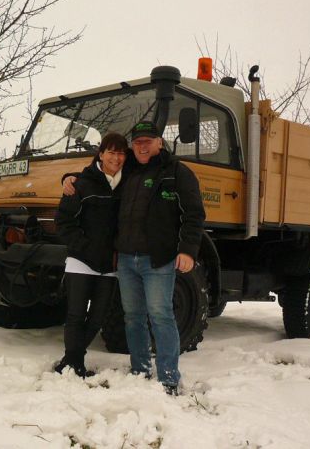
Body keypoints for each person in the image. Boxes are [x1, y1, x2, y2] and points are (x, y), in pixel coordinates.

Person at [63, 121, 205, 395]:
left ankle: (168, 377)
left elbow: (194, 214)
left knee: (161, 316)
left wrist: (188, 250)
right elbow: (98, 172)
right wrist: (69, 179)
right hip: (126, 260)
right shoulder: (127, 171)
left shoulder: (177, 172)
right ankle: (140, 369)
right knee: (133, 318)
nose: (142, 146)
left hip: (158, 260)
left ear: (159, 143)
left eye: (147, 141)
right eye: (137, 142)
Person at [53, 132, 128, 377]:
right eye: (111, 152)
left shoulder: (128, 184)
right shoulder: (81, 184)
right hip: (81, 261)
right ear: (101, 154)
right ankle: (76, 364)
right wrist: (85, 247)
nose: (116, 158)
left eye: (121, 153)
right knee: (76, 315)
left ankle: (70, 360)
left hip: (110, 264)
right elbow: (63, 222)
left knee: (97, 318)